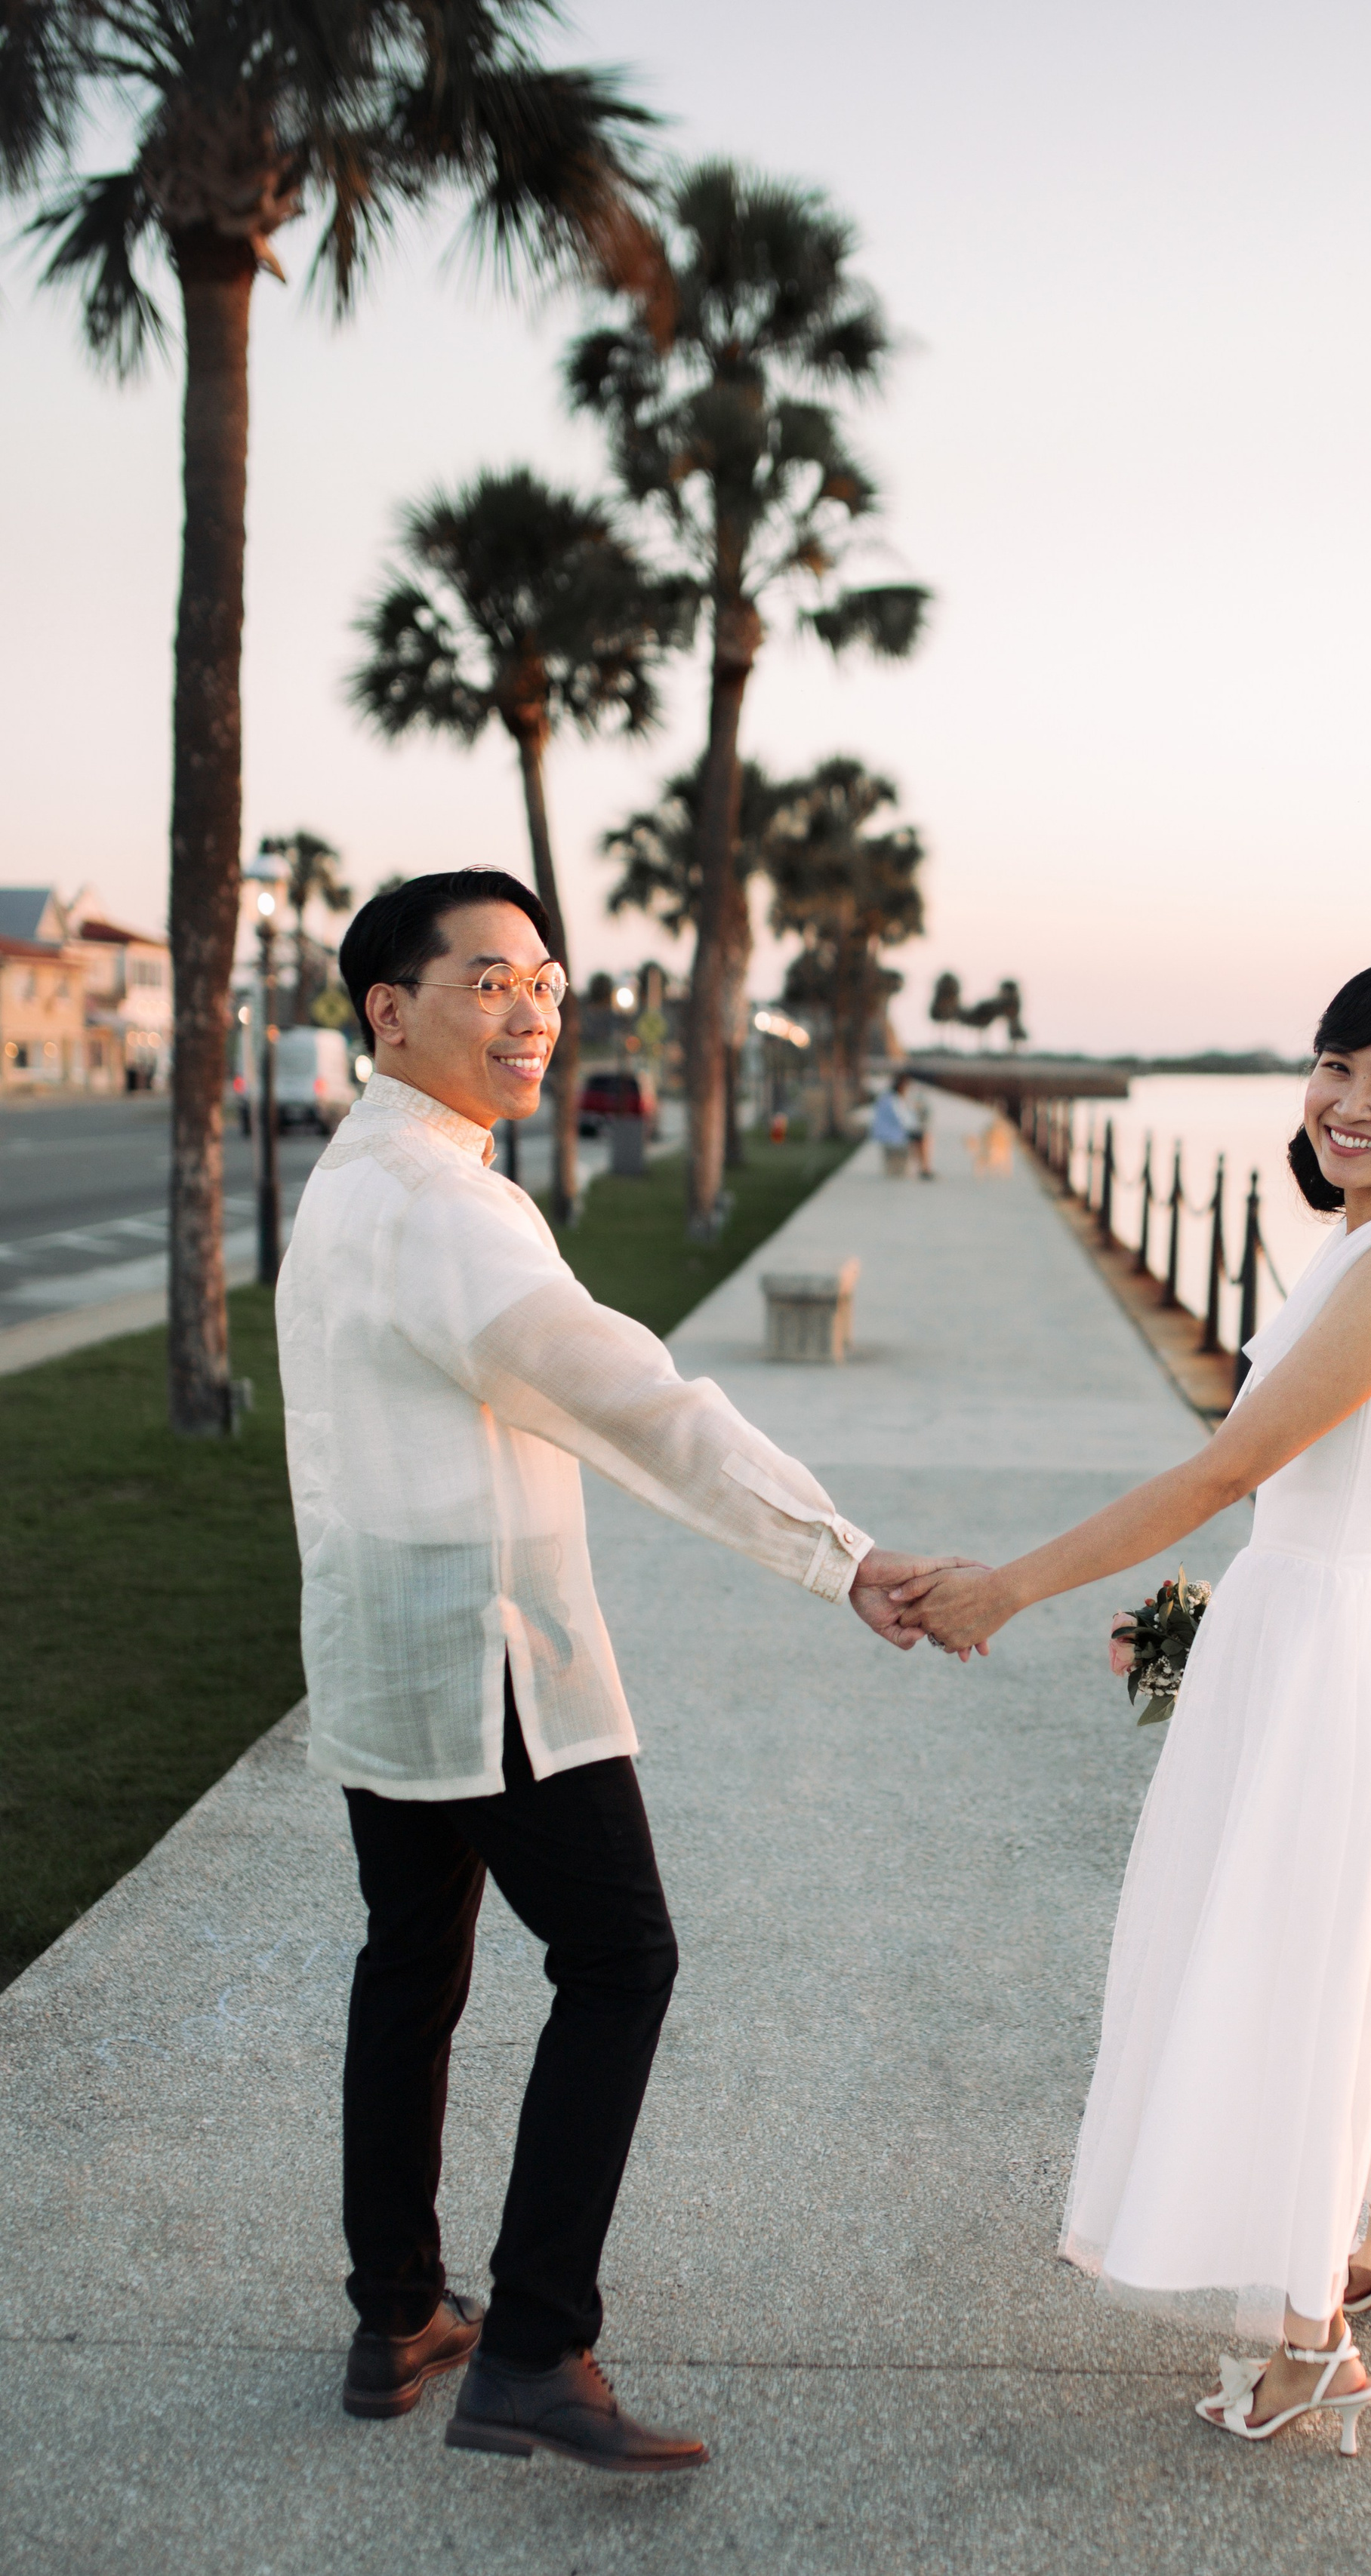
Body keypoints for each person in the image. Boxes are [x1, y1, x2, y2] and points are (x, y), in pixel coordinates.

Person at [279, 869, 950, 2475]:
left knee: (412, 1960)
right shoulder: (445, 1209)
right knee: (621, 1959)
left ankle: (397, 2314)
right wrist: (832, 1549)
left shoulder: (358, 1175)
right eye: (489, 982)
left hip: (381, 1633)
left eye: (546, 982)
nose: (532, 1013)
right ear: (391, 1009)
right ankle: (531, 2345)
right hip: (481, 1649)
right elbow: (639, 1403)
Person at [892, 958, 1371, 2454]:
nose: (1349, 1103)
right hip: (1347, 1628)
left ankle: (1311, 2349)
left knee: (1295, 1964)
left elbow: (1221, 1474)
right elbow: (1321, 1489)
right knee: (1346, 1954)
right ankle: (1362, 2248)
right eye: (1333, 1066)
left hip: (1338, 1650)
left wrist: (1008, 1587)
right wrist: (1193, 1617)